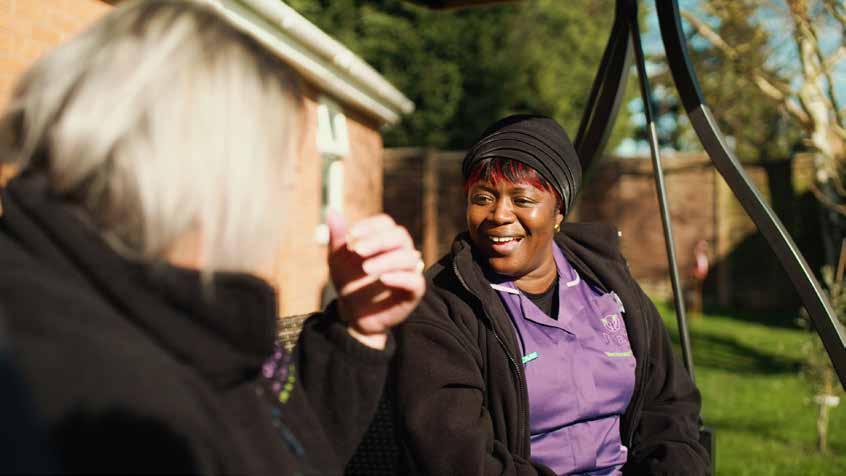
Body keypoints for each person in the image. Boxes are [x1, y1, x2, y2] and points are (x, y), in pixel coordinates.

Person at [0, 0, 424, 473]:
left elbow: (272, 444)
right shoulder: (91, 397)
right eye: (281, 180)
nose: (279, 214)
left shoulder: (158, 308)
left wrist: (357, 330)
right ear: (204, 181)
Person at [391, 115, 709, 475]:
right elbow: (457, 455)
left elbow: (670, 404)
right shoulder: (442, 307)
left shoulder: (608, 283)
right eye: (483, 197)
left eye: (522, 199)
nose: (499, 214)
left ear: (559, 211)